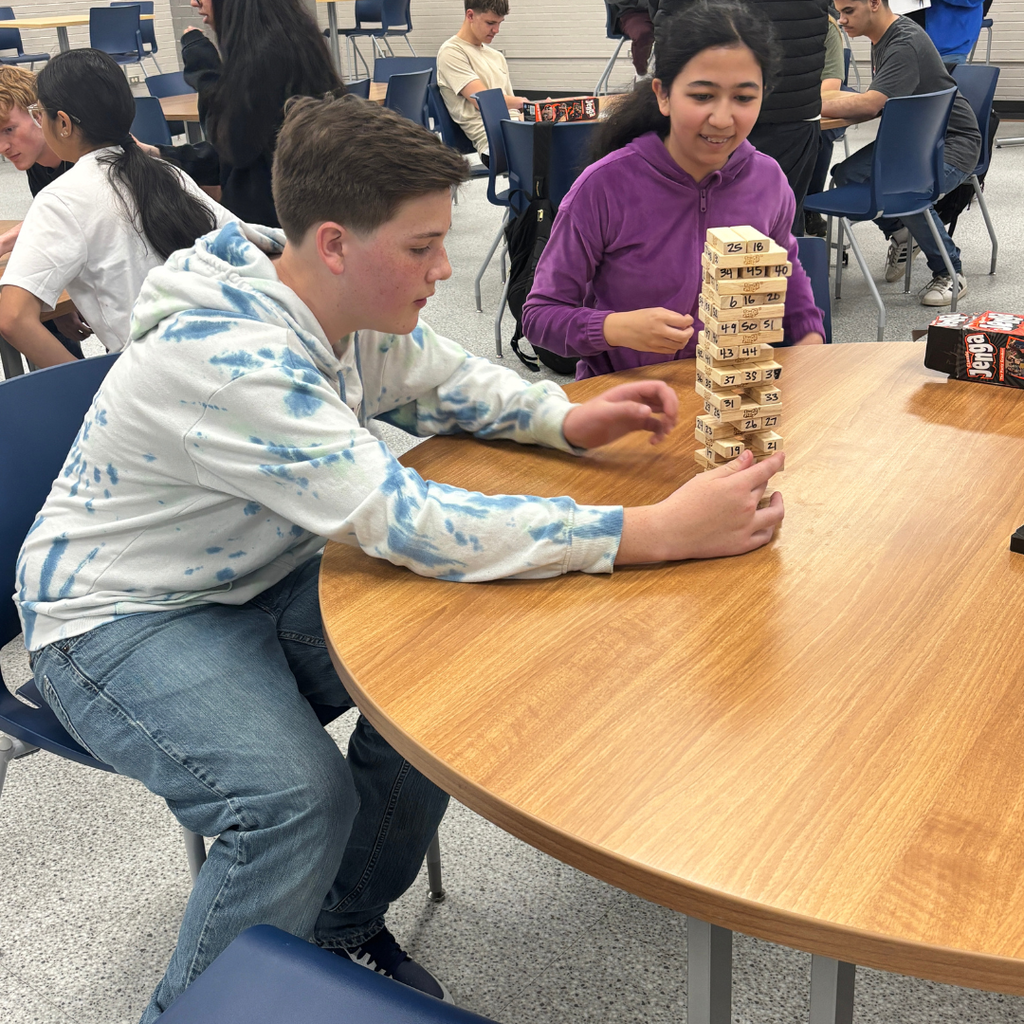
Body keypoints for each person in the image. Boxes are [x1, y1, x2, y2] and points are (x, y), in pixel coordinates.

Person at [16, 94, 785, 1022]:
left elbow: (443, 379)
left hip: (249, 577)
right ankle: (192, 1013)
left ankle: (338, 924)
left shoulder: (325, 292)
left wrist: (564, 418)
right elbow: (406, 519)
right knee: (296, 800)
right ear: (337, 242)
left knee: (434, 674)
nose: (444, 269)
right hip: (117, 620)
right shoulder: (230, 357)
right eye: (421, 247)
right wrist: (647, 533)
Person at [521, 1, 825, 382]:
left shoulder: (768, 180)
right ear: (663, 95)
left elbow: (786, 271)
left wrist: (809, 334)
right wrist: (614, 328)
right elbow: (540, 316)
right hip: (626, 399)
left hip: (730, 398)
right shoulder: (604, 187)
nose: (722, 118)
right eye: (701, 96)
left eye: (744, 98)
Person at [0, 49, 236, 369]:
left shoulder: (61, 198)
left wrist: (94, 388)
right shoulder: (168, 173)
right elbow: (246, 245)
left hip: (155, 375)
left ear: (63, 123)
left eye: (40, 113)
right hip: (224, 350)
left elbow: (11, 317)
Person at [823, 0, 982, 305]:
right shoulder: (882, 38)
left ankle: (950, 272)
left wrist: (808, 103)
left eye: (848, 11)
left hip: (952, 145)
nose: (841, 20)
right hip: (915, 142)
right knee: (847, 174)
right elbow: (882, 100)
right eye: (839, 11)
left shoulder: (904, 43)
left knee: (903, 189)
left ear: (873, 4)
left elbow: (871, 104)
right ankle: (903, 235)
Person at [142, 0, 342, 225]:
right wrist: (160, 154)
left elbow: (234, 149)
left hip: (273, 231)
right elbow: (243, 152)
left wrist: (203, 67)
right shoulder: (295, 42)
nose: (194, 2)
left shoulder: (263, 59)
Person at [648, 0, 830, 234]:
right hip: (793, 100)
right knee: (775, 227)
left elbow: (667, 14)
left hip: (735, 92)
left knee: (700, 224)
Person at [0, 64, 90, 356]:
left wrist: (7, 241)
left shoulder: (85, 156)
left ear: (38, 116)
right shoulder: (36, 162)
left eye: (8, 130)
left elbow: (77, 215)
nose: (2, 146)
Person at [436, 0, 527, 163]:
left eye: (499, 23)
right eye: (490, 23)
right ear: (470, 15)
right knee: (560, 148)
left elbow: (512, 108)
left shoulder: (496, 56)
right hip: (494, 140)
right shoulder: (451, 52)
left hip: (516, 129)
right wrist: (525, 103)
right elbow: (485, 101)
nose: (496, 30)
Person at [805, 13, 846, 237]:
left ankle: (810, 205)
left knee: (820, 133)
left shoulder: (826, 27)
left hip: (818, 104)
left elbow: (831, 85)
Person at [608, 0, 657, 77]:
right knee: (643, 32)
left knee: (678, 30)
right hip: (634, 13)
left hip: (665, 11)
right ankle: (641, 73)